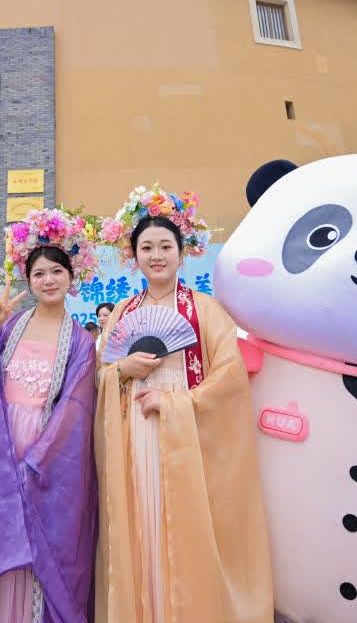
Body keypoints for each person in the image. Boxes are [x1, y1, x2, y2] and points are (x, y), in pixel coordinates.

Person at [95, 196, 273, 622]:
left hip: (185, 431)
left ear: (182, 252)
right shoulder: (122, 313)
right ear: (134, 256)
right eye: (146, 247)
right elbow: (100, 374)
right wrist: (122, 369)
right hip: (135, 429)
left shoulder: (206, 310)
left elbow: (230, 376)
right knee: (140, 519)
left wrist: (177, 402)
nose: (156, 255)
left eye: (165, 246)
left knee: (183, 522)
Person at [0, 212, 99, 623]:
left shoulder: (81, 341)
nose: (48, 280)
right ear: (28, 280)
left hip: (45, 460)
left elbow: (75, 409)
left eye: (57, 271)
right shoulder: (9, 327)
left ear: (72, 277)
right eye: (39, 273)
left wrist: (37, 461)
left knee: (36, 554)